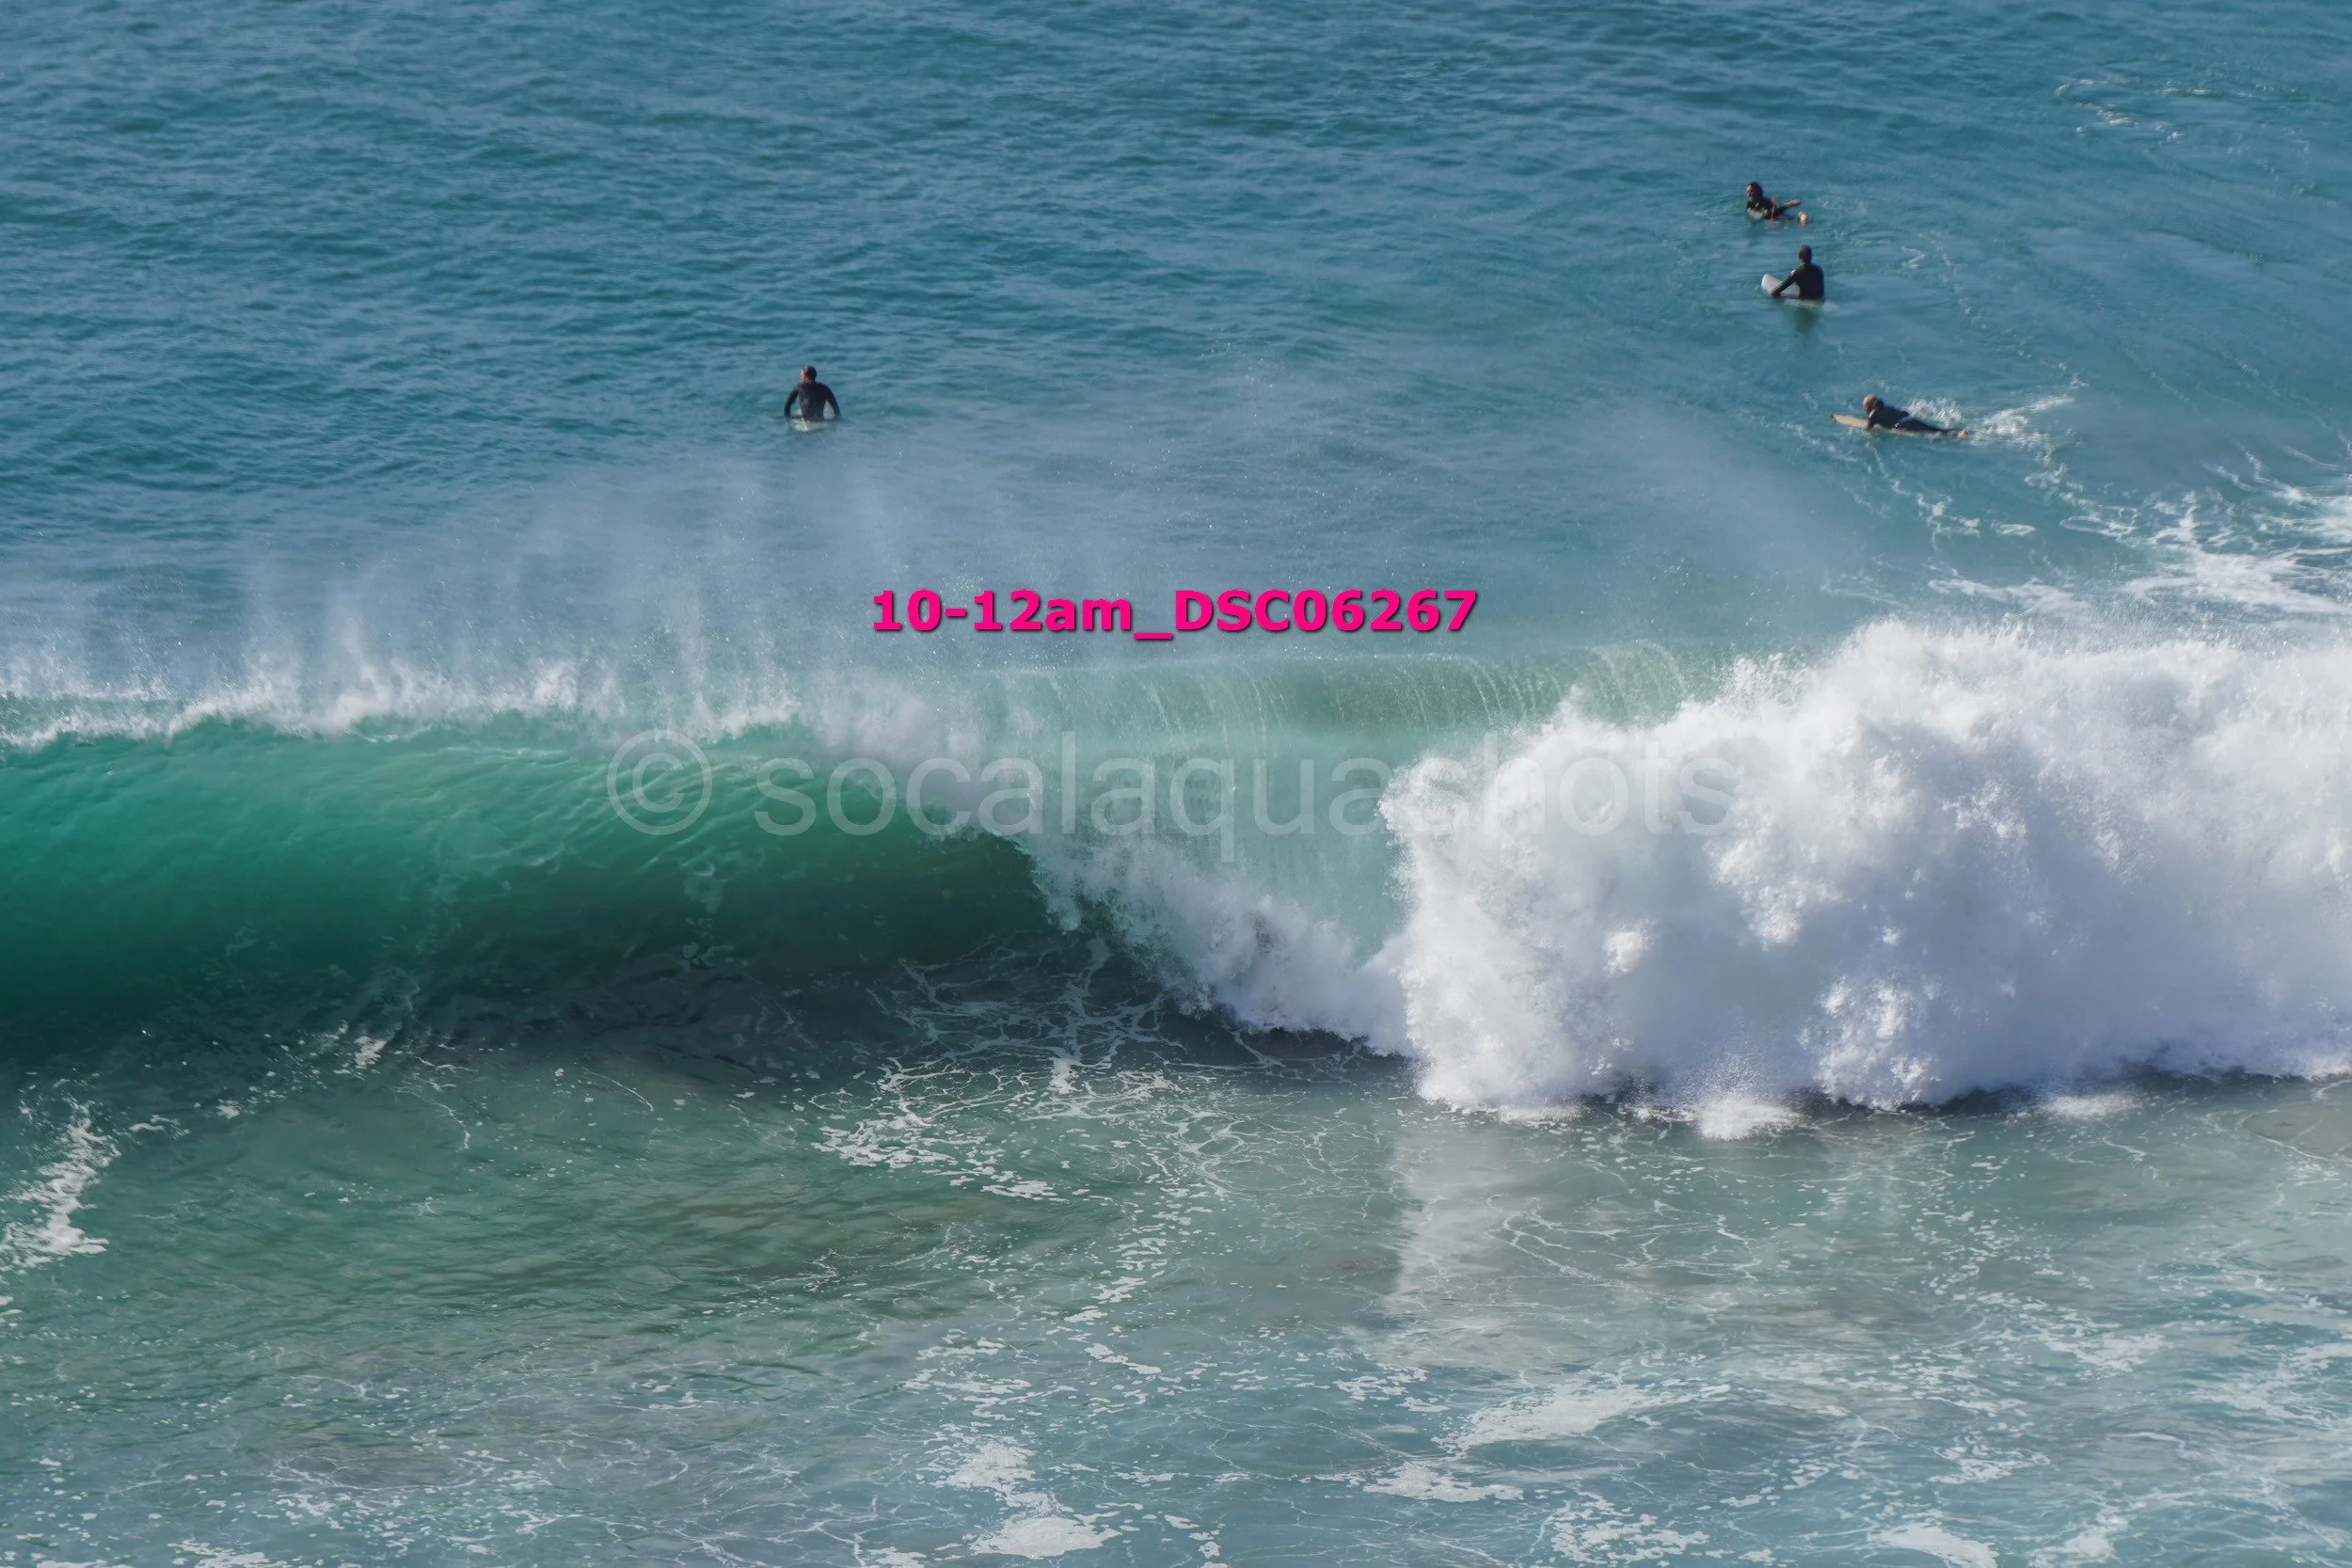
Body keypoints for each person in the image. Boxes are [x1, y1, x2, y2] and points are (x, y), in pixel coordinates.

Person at [1862, 394, 1965, 436]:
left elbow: (1868, 428)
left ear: (1868, 406)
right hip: (1910, 420)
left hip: (1904, 427)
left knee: (1934, 434)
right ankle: (1963, 432)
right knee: (1937, 430)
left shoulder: (1873, 414)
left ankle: (1959, 435)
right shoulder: (1889, 407)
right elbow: (1905, 412)